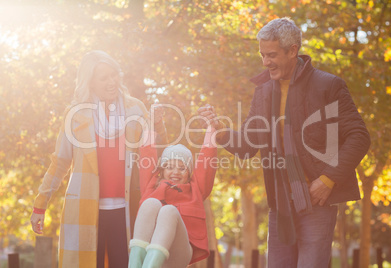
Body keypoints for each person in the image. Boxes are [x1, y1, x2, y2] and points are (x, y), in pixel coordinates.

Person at [198, 17, 370, 267]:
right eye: (262, 55)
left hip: (317, 203)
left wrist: (328, 179)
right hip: (279, 204)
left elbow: (359, 137)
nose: (265, 62)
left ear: (293, 51)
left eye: (271, 55)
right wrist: (221, 132)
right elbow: (249, 143)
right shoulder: (264, 91)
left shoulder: (328, 85)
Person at [30, 50, 167, 268]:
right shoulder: (76, 114)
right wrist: (40, 204)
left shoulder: (135, 108)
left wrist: (158, 125)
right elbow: (60, 162)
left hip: (128, 210)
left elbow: (157, 156)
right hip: (84, 209)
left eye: (114, 75)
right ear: (90, 82)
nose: (112, 81)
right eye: (104, 78)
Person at [128, 124, 217, 268]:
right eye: (170, 167)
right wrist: (151, 123)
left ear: (188, 173)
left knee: (169, 210)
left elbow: (207, 159)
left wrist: (212, 127)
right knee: (150, 203)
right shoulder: (151, 186)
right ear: (162, 171)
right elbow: (147, 153)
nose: (176, 172)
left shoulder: (195, 189)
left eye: (182, 168)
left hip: (178, 253)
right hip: (148, 249)